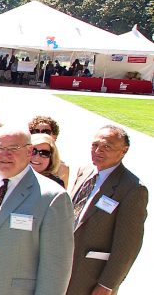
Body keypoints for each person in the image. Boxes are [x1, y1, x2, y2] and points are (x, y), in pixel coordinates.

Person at [0, 127, 73, 295]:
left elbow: (56, 268)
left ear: (29, 151)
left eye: (13, 149)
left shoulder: (53, 198)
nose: (5, 155)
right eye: (0, 148)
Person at [67, 125, 148, 295]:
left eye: (107, 146)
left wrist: (107, 284)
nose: (98, 150)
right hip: (63, 267)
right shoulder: (85, 171)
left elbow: (128, 245)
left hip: (90, 277)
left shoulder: (132, 188)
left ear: (124, 151)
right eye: (95, 145)